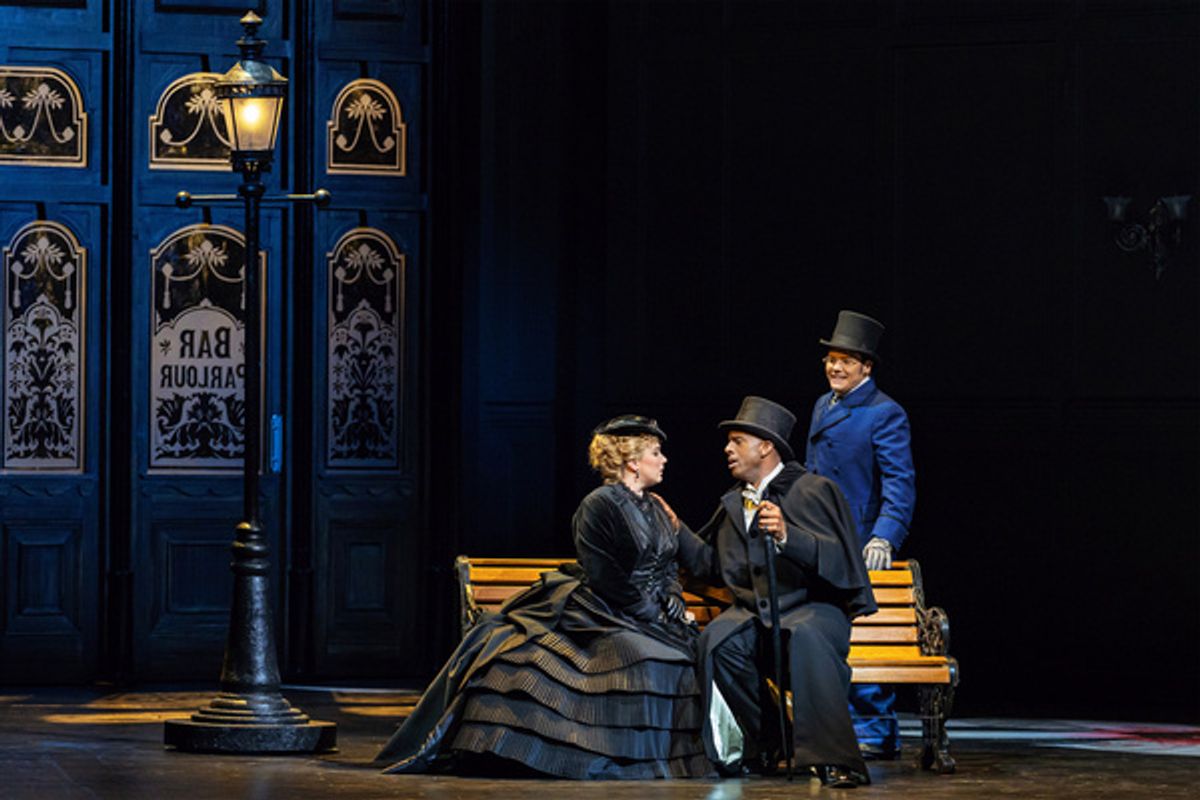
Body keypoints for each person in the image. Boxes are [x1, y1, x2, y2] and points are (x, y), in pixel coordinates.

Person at [376, 415, 710, 779]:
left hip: (649, 613)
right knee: (639, 656)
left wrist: (672, 595)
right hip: (607, 608)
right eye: (656, 452)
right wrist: (647, 610)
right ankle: (611, 757)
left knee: (689, 655)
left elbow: (668, 561)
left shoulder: (657, 507)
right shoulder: (599, 504)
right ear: (632, 461)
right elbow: (604, 573)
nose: (664, 460)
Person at [673, 396, 877, 788]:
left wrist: (787, 535)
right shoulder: (734, 503)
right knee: (717, 641)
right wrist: (676, 528)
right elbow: (713, 565)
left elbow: (840, 559)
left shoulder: (814, 489)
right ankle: (772, 744)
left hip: (814, 608)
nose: (727, 449)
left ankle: (834, 759)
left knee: (807, 637)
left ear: (765, 446)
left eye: (737, 441)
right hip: (757, 614)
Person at [805, 310, 916, 759]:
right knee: (828, 635)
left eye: (845, 361)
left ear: (866, 367)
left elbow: (899, 481)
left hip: (858, 540)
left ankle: (877, 733)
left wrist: (884, 536)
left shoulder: (884, 412)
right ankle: (838, 729)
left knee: (867, 636)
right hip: (820, 537)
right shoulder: (823, 404)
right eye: (831, 360)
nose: (835, 368)